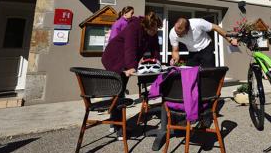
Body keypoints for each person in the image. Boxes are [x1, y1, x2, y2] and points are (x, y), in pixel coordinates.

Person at [102, 11, 161, 139]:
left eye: (157, 29)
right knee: (119, 90)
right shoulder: (134, 26)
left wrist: (158, 62)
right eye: (153, 29)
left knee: (120, 90)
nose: (155, 32)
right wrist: (131, 67)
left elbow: (155, 48)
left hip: (125, 59)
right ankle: (118, 128)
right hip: (114, 57)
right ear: (147, 26)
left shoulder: (153, 32)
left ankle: (114, 122)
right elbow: (130, 48)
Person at [169, 17, 238, 68]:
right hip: (192, 52)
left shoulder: (198, 23)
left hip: (206, 47)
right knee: (190, 71)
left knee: (208, 71)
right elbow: (175, 50)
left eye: (180, 34)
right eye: (176, 32)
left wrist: (230, 40)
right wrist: (175, 59)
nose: (177, 35)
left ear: (188, 29)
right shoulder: (172, 33)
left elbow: (216, 27)